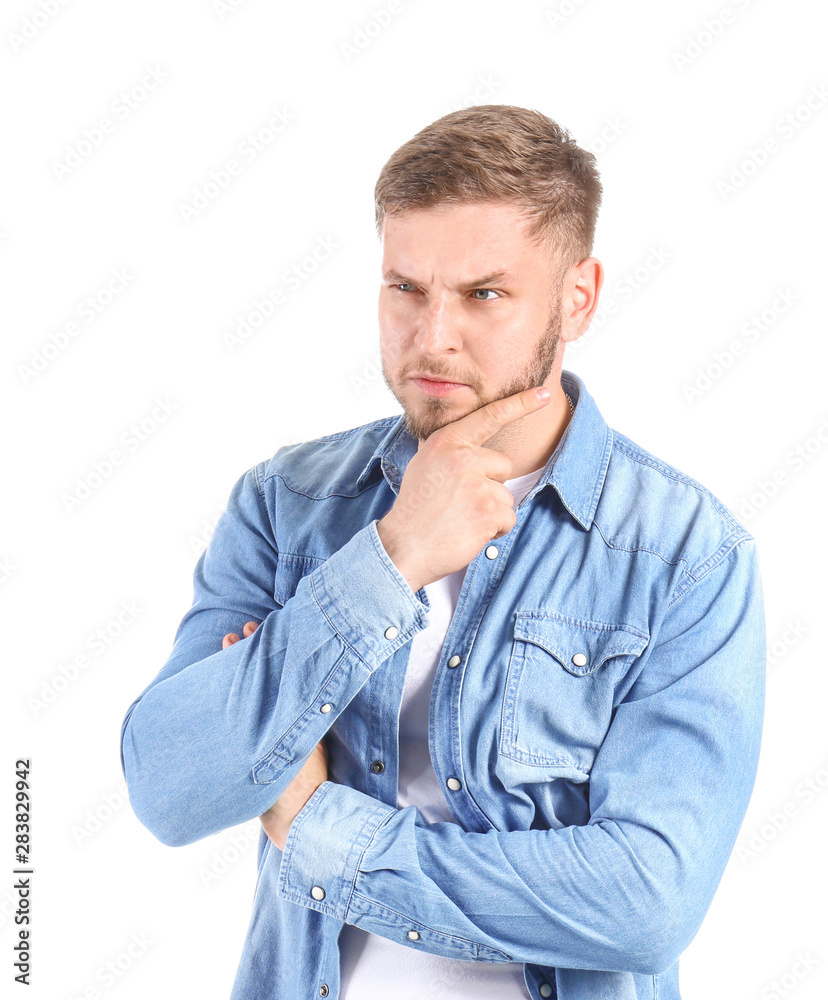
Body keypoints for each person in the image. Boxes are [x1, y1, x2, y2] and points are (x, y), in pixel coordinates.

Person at [120, 104, 766, 1000]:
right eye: (405, 289)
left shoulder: (684, 556)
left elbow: (647, 901)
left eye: (483, 294)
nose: (433, 338)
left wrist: (314, 824)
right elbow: (170, 786)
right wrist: (389, 560)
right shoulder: (289, 507)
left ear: (578, 296)